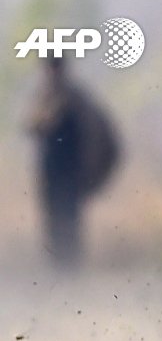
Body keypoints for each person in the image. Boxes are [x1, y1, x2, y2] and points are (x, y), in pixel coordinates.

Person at [27, 56, 120, 268]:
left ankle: (70, 268)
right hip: (50, 174)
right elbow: (32, 127)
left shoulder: (75, 98)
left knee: (69, 221)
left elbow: (94, 136)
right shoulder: (45, 97)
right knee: (53, 222)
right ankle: (58, 268)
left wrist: (91, 172)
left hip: (70, 174)